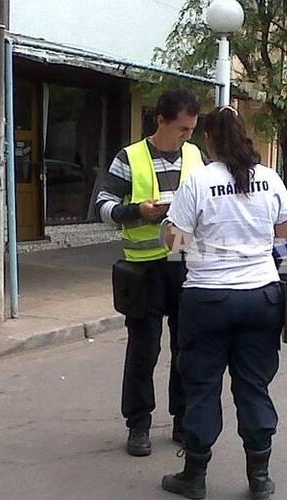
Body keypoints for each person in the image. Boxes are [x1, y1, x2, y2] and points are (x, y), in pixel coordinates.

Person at [160, 106, 287, 500]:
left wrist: (168, 228)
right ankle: (260, 477)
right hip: (261, 297)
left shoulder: (198, 181)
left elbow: (177, 243)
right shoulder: (269, 180)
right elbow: (285, 234)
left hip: (208, 299)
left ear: (210, 140)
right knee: (254, 385)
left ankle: (195, 476)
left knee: (201, 386)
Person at [95, 89, 205, 457]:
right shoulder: (130, 157)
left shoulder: (194, 157)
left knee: (185, 347)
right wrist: (136, 212)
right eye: (182, 129)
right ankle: (138, 425)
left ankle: (182, 419)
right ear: (160, 120)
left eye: (191, 129)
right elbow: (103, 206)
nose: (187, 136)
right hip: (142, 268)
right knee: (144, 349)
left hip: (182, 261)